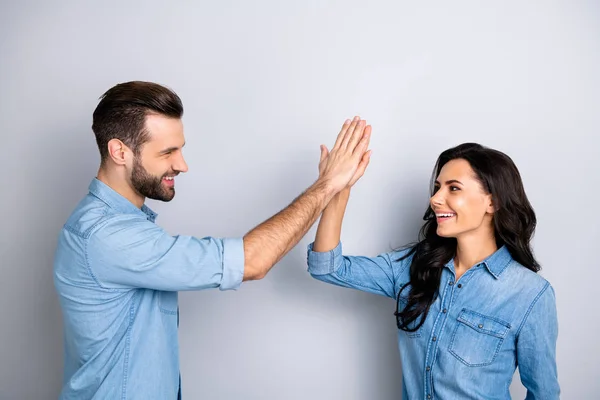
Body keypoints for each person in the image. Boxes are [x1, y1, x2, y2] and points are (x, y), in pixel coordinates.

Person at [53, 80, 372, 399]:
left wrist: (332, 187)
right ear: (119, 151)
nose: (182, 165)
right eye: (167, 152)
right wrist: (327, 185)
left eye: (180, 149)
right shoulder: (107, 236)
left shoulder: (125, 225)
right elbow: (252, 261)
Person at [306, 142, 560, 399]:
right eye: (438, 187)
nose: (435, 199)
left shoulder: (530, 295)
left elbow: (544, 394)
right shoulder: (413, 267)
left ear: (492, 202)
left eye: (453, 188)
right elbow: (327, 267)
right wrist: (338, 189)